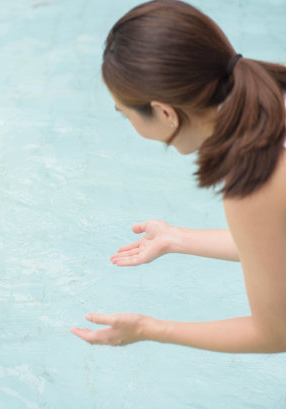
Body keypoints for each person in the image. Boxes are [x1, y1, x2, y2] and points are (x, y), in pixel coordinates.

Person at [71, 0, 286, 352]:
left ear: (165, 112)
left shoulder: (256, 177)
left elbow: (276, 333)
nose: (132, 127)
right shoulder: (274, 91)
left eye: (126, 115)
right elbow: (275, 240)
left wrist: (148, 329)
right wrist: (177, 238)